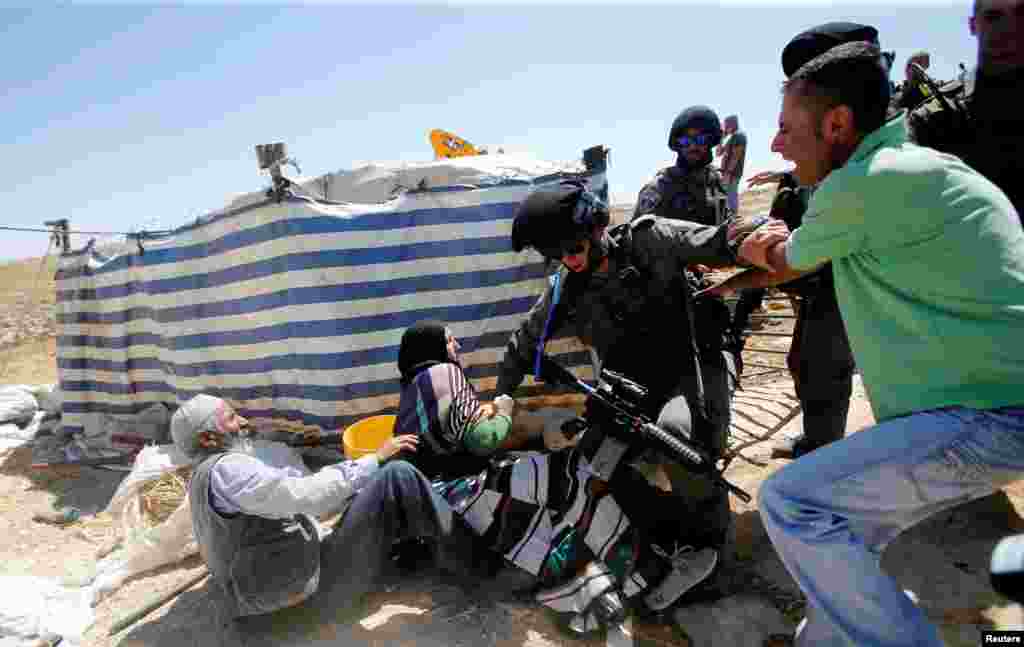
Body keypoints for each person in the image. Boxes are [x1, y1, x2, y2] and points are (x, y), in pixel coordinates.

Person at [733, 40, 1024, 645]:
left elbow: (782, 258)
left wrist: (749, 240)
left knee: (790, 501)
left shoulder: (866, 182)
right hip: (989, 413)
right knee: (839, 539)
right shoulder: (919, 169)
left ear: (837, 124)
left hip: (988, 419)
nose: (776, 144)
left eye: (788, 128)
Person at [493, 179, 762, 621]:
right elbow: (524, 341)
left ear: (596, 229)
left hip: (692, 369)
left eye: (574, 248)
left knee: (679, 443)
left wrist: (753, 238)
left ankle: (708, 551)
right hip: (631, 387)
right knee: (594, 461)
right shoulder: (565, 285)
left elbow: (716, 240)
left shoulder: (647, 240)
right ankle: (663, 538)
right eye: (557, 255)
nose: (569, 261)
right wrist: (502, 396)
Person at [171, 394, 473, 623]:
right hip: (304, 602)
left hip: (271, 597)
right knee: (397, 476)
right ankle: (479, 571)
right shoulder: (228, 470)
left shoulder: (202, 476)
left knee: (371, 496)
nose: (244, 422)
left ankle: (422, 558)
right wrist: (376, 458)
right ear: (208, 438)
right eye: (232, 418)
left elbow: (284, 502)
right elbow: (306, 496)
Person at [908, 0, 1024, 219]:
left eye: (1021, 13)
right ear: (973, 25)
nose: (1009, 27)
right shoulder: (937, 119)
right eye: (993, 16)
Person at [393, 319, 524, 481]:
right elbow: (483, 439)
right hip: (448, 485)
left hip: (415, 482)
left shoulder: (414, 385)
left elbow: (450, 425)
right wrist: (504, 410)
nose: (457, 345)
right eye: (448, 341)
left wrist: (486, 409)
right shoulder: (446, 372)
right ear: (432, 347)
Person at [632, 105, 730, 226]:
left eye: (700, 140)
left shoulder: (715, 180)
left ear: (709, 142)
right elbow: (639, 234)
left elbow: (727, 219)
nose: (693, 147)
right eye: (686, 141)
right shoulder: (660, 187)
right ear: (678, 145)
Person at [716, 114, 748, 214]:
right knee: (726, 196)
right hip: (727, 172)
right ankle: (730, 217)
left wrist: (728, 173)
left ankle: (734, 217)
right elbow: (718, 153)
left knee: (731, 195)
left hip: (732, 173)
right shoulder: (731, 138)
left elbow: (736, 156)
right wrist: (721, 139)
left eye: (725, 124)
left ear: (732, 124)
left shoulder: (739, 135)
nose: (724, 127)